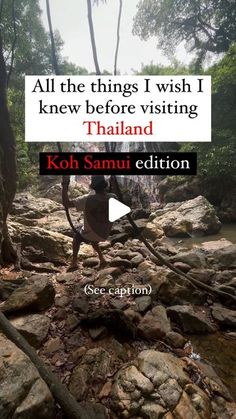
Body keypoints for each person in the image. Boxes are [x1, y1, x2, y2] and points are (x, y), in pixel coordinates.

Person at [62, 175, 116, 271]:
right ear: (105, 185)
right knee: (92, 233)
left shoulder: (87, 199)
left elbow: (66, 203)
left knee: (77, 237)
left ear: (93, 186)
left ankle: (74, 262)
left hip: (92, 233)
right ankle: (102, 258)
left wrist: (65, 185)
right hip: (104, 233)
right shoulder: (113, 197)